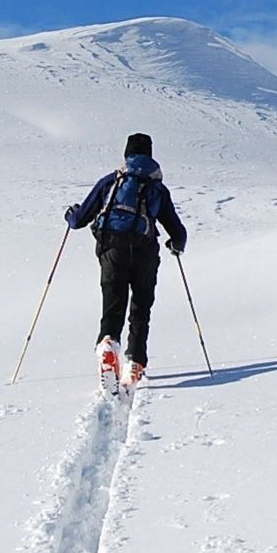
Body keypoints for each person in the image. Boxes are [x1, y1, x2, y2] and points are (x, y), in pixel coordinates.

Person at [64, 133, 188, 385]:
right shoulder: (157, 189)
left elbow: (78, 221)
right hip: (145, 252)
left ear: (127, 155)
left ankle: (108, 343)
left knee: (113, 303)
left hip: (111, 249)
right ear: (150, 155)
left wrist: (71, 214)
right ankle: (135, 362)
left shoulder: (111, 181)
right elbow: (178, 231)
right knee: (141, 307)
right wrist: (175, 244)